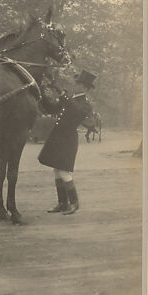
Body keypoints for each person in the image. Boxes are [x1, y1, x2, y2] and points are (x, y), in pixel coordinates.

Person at [38, 70, 96, 215]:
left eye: (79, 84)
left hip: (68, 138)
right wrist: (43, 95)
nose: (75, 85)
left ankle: (74, 203)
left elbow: (77, 112)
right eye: (76, 82)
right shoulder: (71, 98)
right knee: (57, 171)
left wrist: (64, 96)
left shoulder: (85, 104)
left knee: (64, 172)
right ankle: (62, 203)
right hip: (58, 136)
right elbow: (52, 108)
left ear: (86, 89)